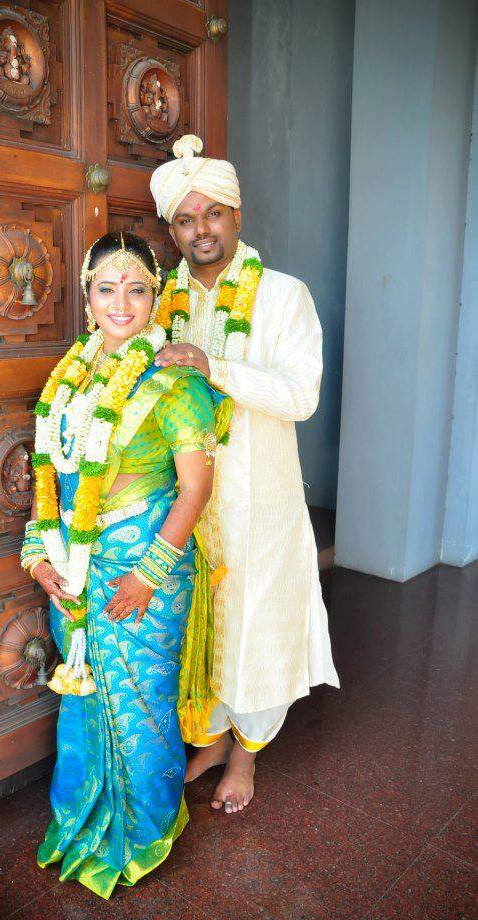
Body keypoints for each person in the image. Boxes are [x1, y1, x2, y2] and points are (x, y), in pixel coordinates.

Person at [20, 231, 232, 899]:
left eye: (136, 288)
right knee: (83, 703)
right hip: (75, 569)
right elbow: (48, 477)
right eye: (106, 288)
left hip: (148, 569)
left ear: (155, 297)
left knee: (141, 707)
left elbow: (195, 489)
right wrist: (36, 556)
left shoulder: (173, 383)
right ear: (87, 298)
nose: (121, 302)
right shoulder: (69, 381)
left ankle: (143, 834)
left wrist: (150, 572)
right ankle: (84, 823)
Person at [149, 135, 340, 815]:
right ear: (171, 229)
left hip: (258, 498)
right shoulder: (157, 298)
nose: (200, 230)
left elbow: (300, 397)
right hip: (181, 500)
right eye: (184, 219)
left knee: (255, 623)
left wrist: (213, 367)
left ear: (236, 214)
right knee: (199, 622)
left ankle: (245, 754)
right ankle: (209, 734)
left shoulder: (283, 296)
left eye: (212, 214)